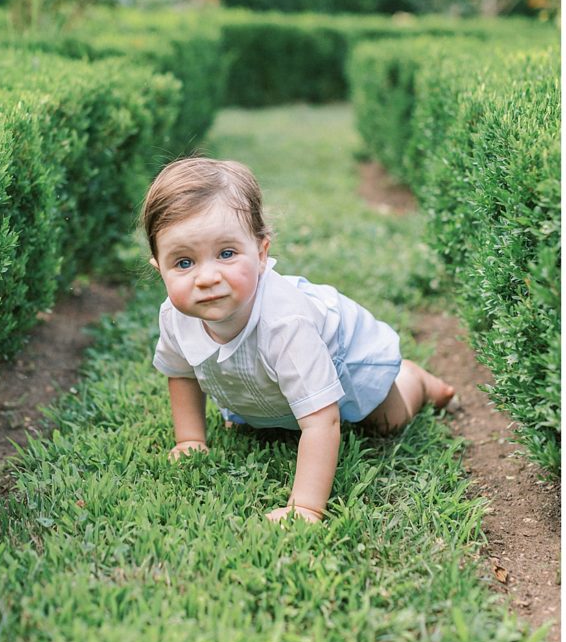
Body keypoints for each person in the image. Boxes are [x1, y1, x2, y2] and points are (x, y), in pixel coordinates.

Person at [142, 157, 455, 524]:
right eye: (183, 263)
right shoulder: (175, 317)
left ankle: (414, 379)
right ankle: (267, 411)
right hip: (272, 379)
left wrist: (305, 506)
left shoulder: (285, 323)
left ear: (261, 254)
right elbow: (181, 373)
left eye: (226, 254)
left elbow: (323, 421)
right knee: (258, 424)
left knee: (387, 421)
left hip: (345, 360)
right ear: (159, 268)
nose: (207, 277)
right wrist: (190, 438)